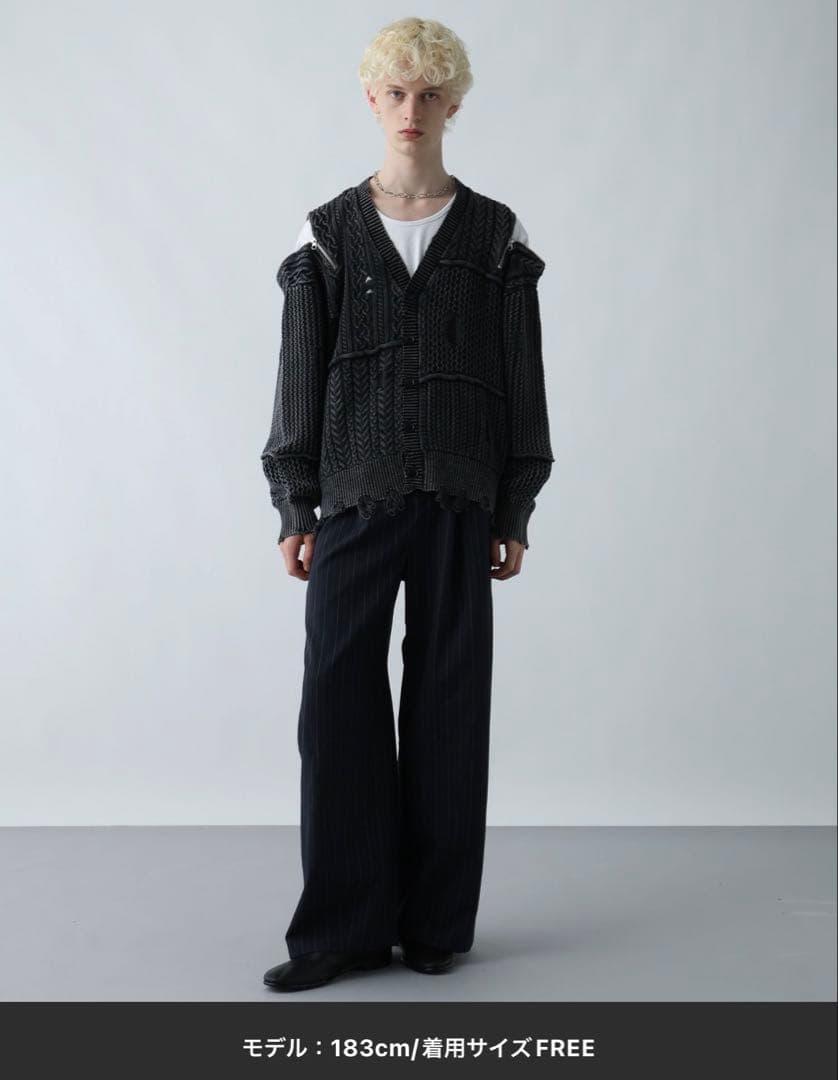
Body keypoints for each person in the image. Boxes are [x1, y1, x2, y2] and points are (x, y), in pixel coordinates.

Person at [261, 16, 554, 993]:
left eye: (430, 94)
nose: (410, 110)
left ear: (453, 104)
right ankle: (342, 930)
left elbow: (522, 380)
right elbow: (298, 376)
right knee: (337, 704)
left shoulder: (497, 235)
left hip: (461, 497)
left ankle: (434, 924)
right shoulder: (326, 233)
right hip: (352, 495)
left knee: (448, 703)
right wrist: (294, 502)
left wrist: (514, 506)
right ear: (371, 100)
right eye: (394, 92)